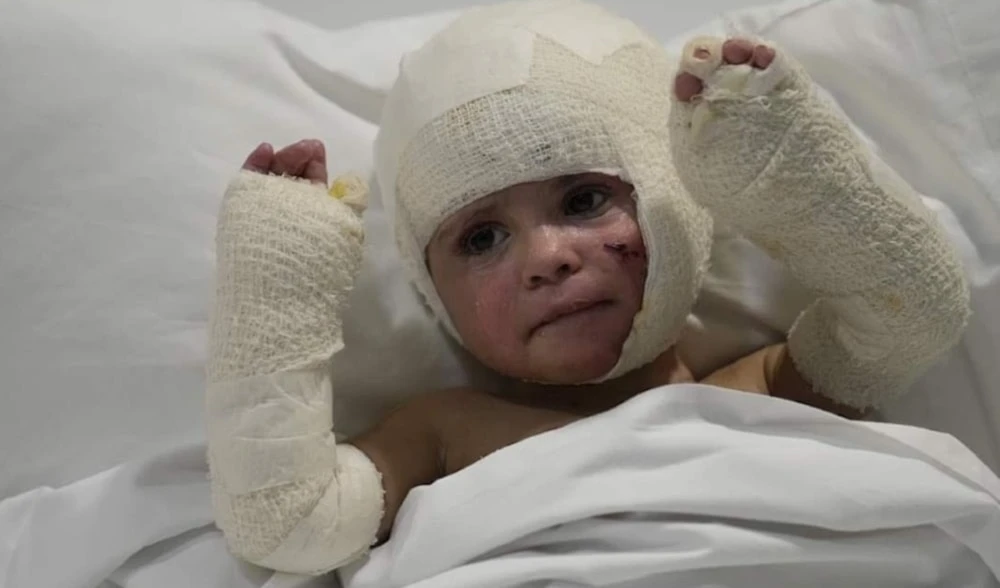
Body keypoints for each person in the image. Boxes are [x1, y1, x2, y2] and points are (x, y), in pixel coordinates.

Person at [205, 0, 970, 577]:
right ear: (434, 295)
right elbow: (289, 521)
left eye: (583, 201)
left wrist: (781, 173)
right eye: (482, 239)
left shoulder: (760, 390)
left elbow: (910, 312)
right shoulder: (445, 432)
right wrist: (279, 292)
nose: (547, 258)